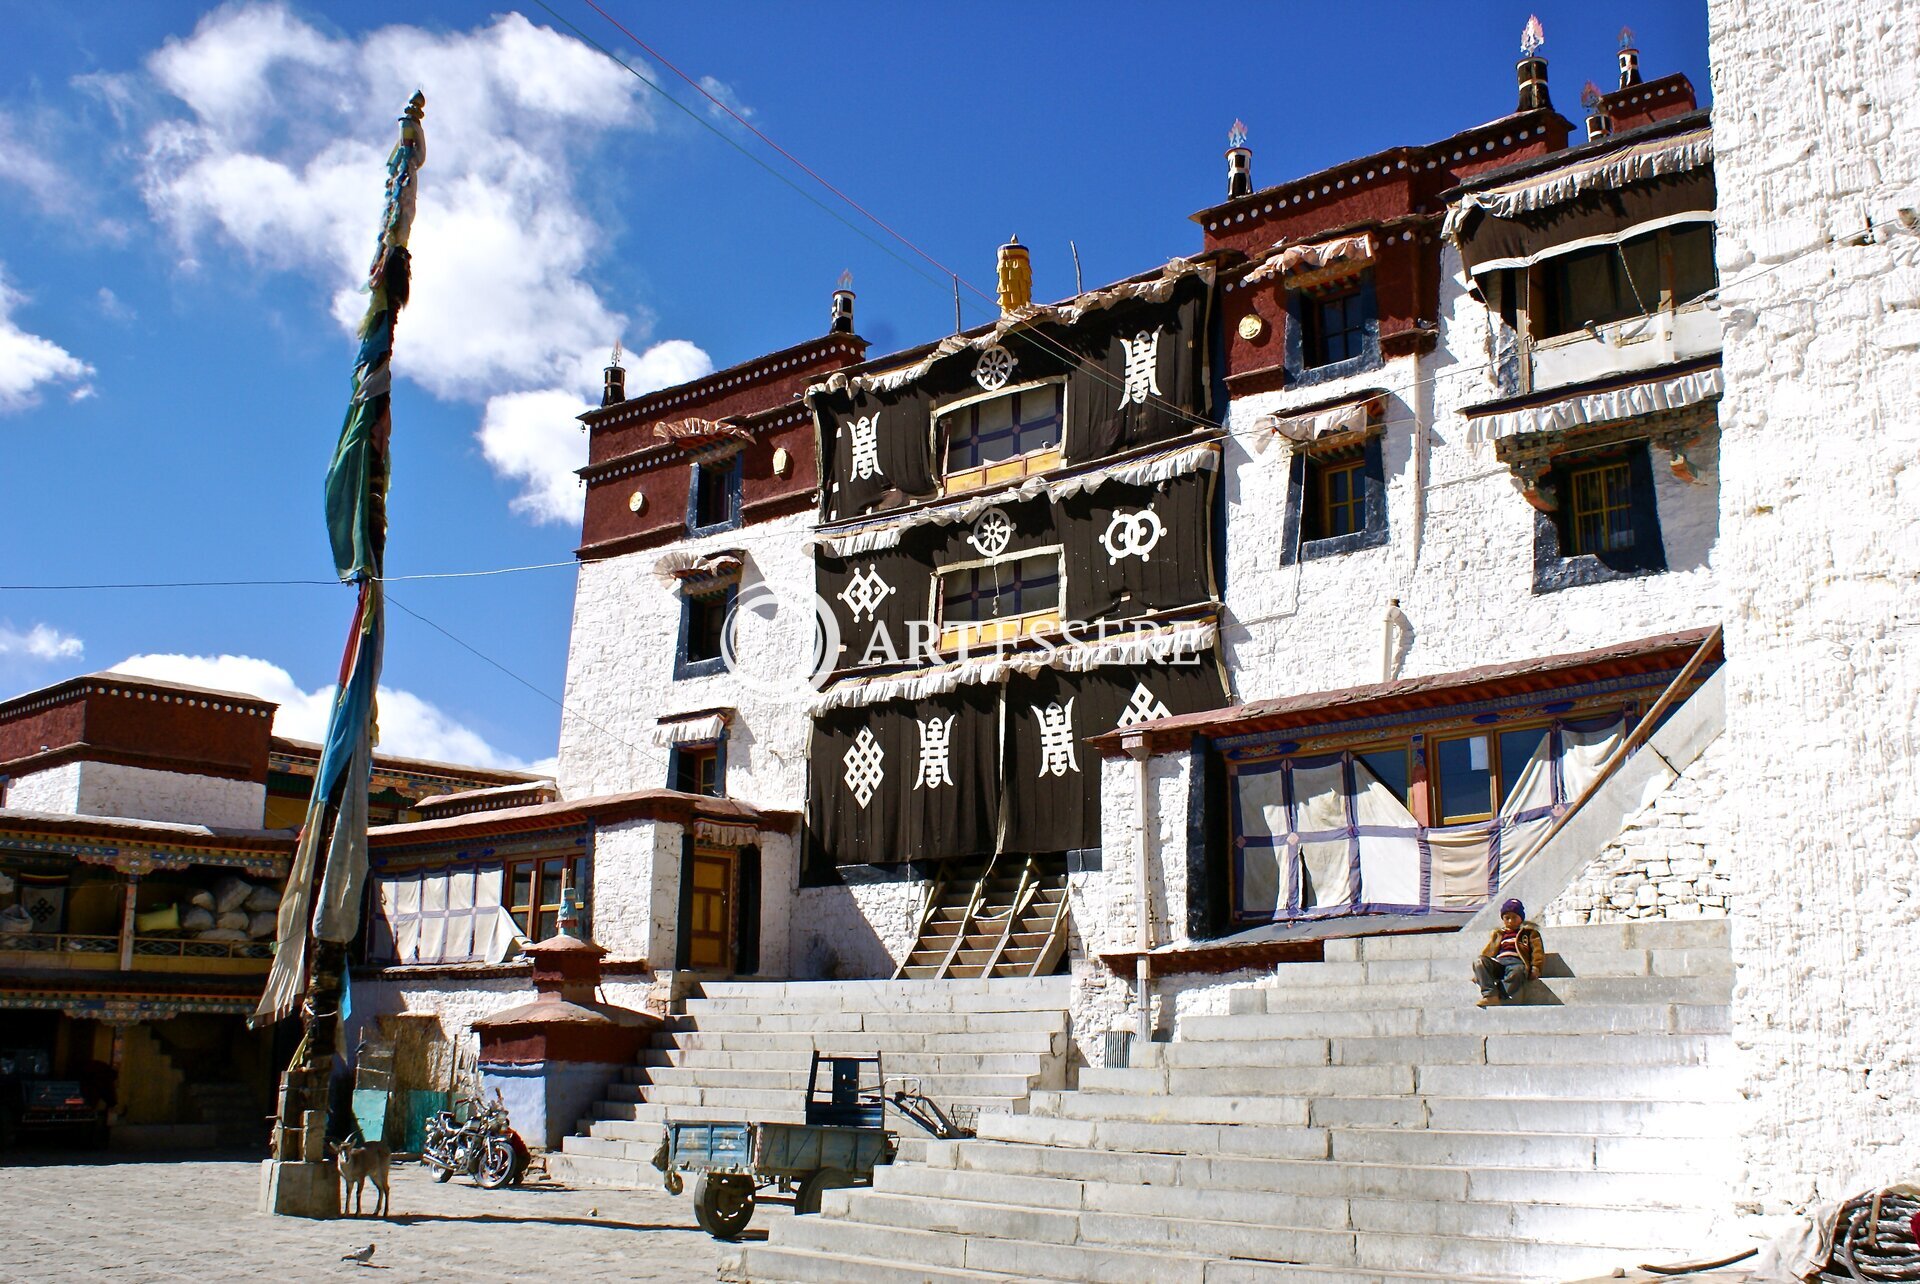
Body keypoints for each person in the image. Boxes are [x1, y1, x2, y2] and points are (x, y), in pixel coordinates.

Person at [1474, 898, 1544, 1006]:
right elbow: (1488, 952)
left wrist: (1536, 967)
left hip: (1516, 963)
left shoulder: (1529, 933)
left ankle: (1498, 995)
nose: (1510, 921)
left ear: (1521, 918)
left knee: (1518, 971)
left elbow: (1537, 951)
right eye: (1507, 918)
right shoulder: (1499, 934)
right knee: (1479, 962)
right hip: (1499, 963)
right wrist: (1480, 973)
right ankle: (1489, 994)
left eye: (1514, 917)